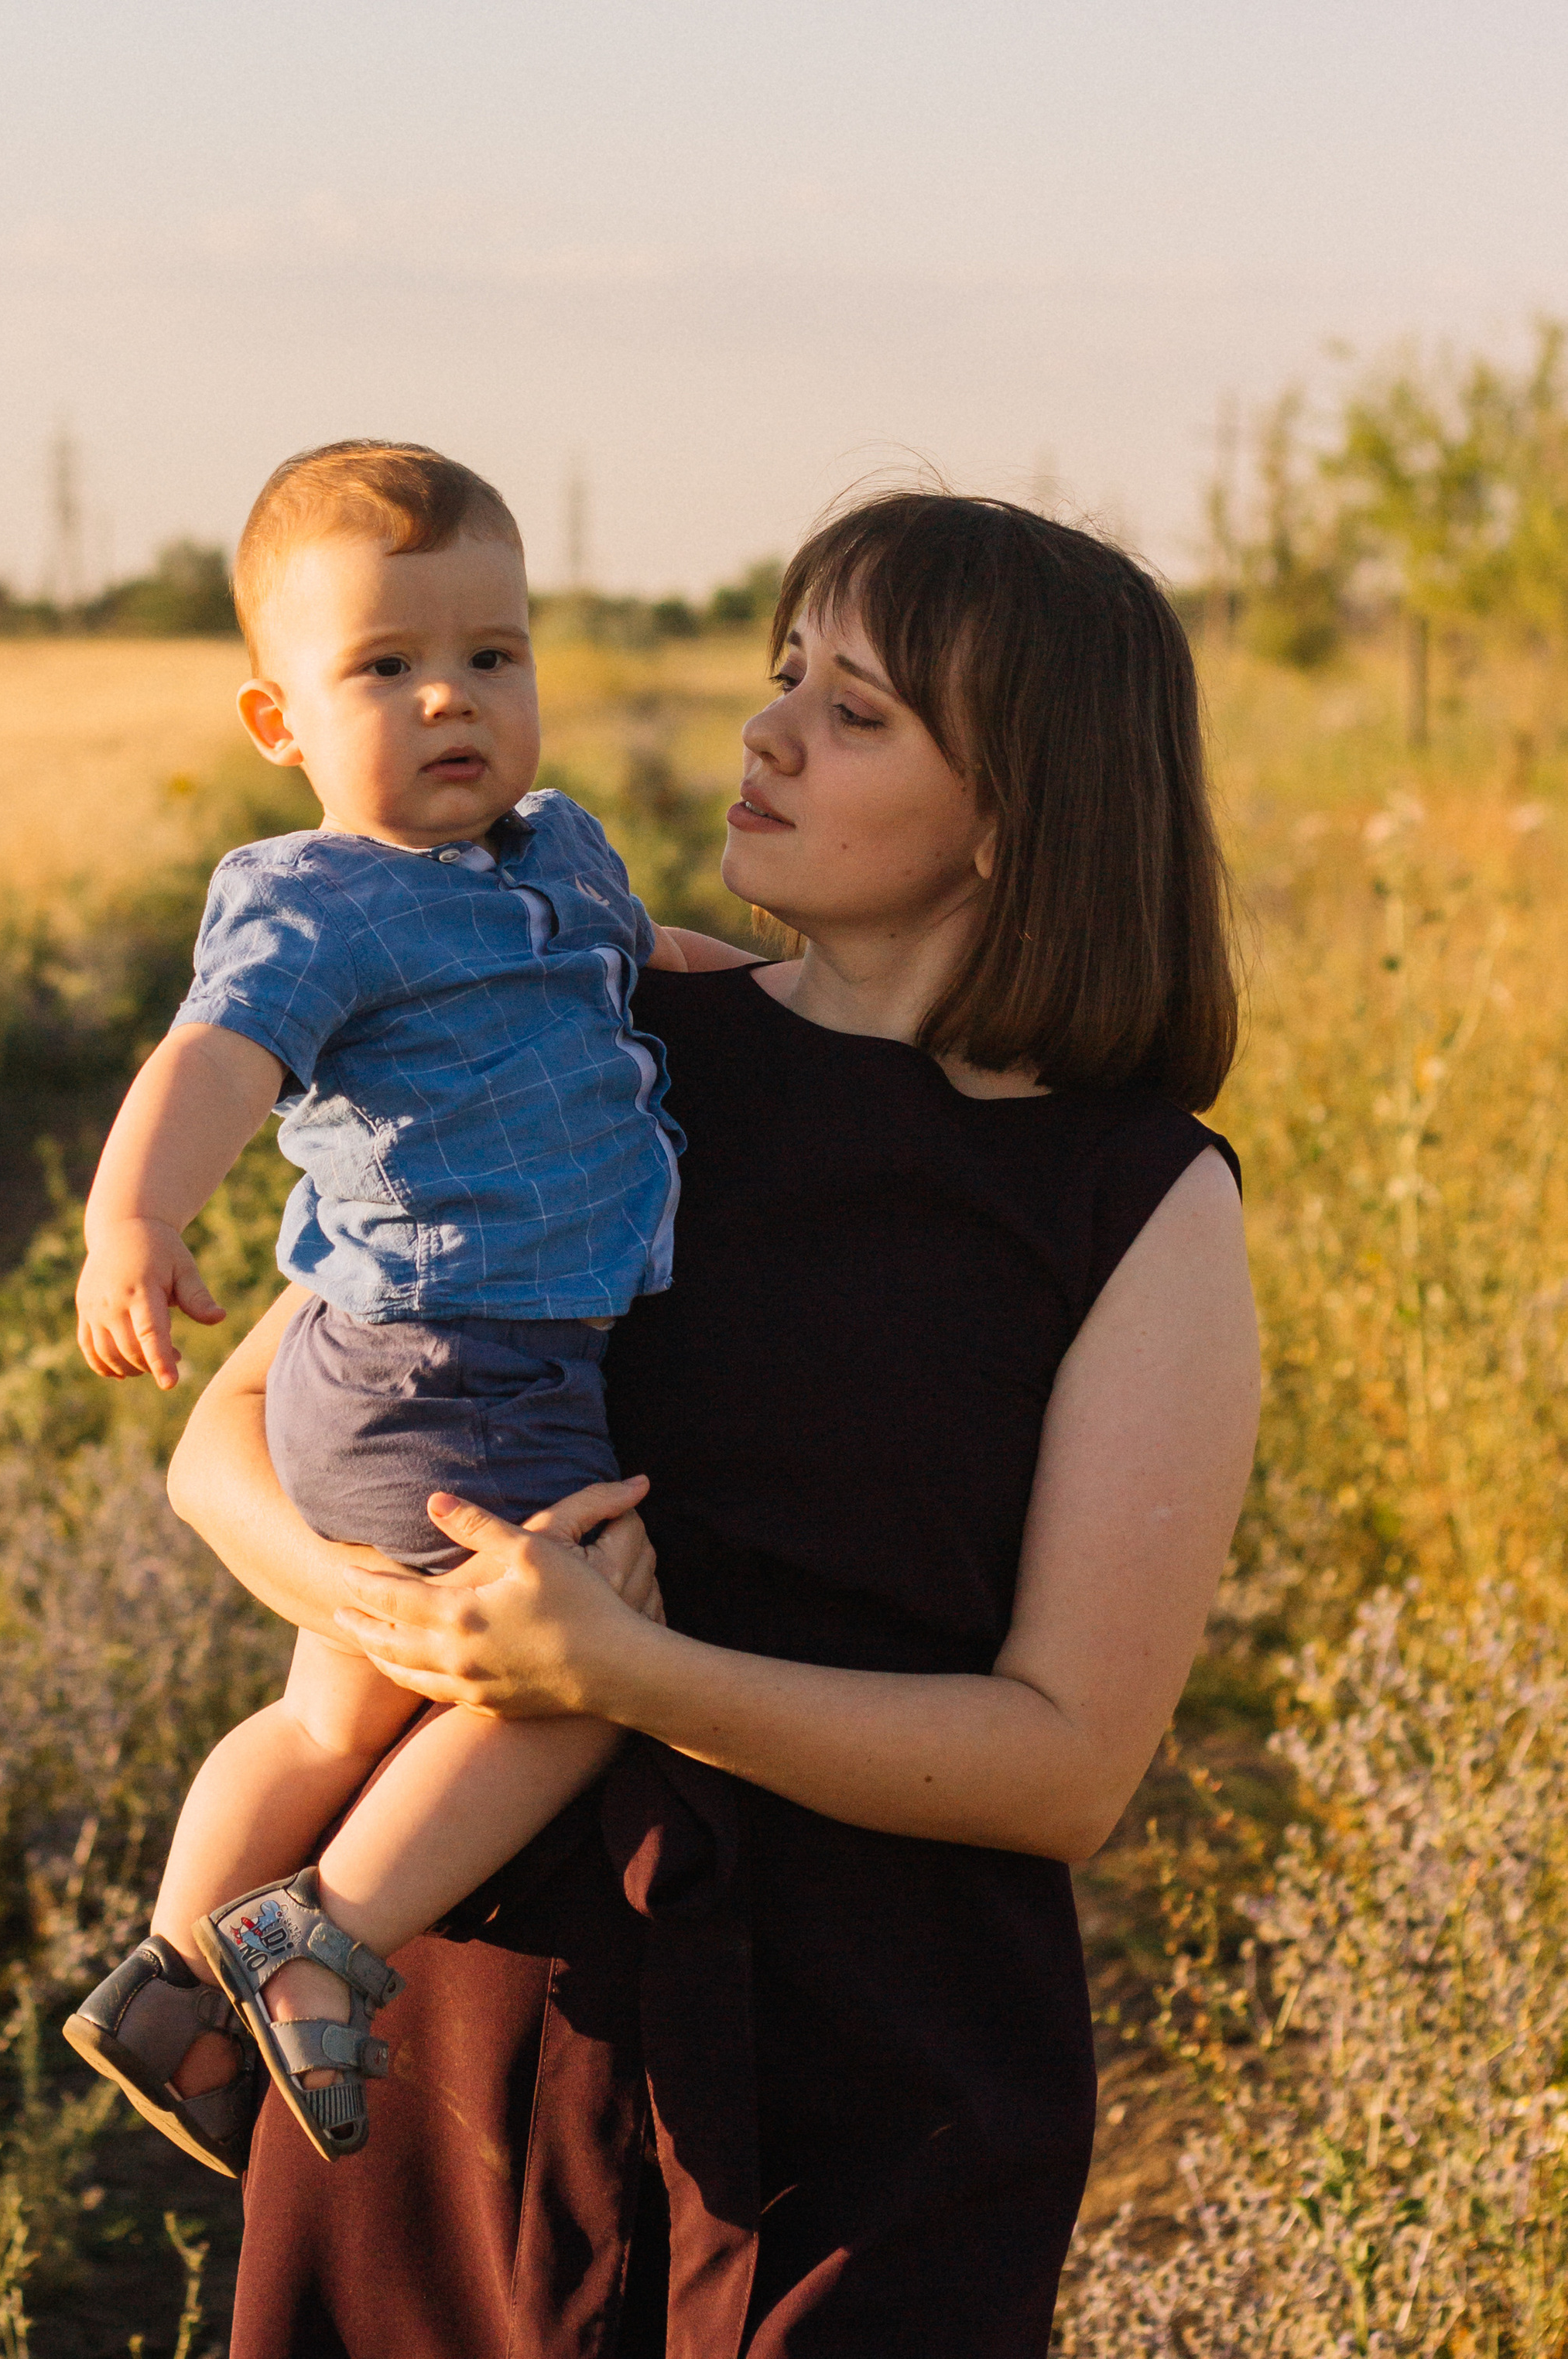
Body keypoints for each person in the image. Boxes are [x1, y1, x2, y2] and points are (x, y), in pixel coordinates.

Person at [166, 489, 1262, 2358]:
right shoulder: (605, 1037)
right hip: (453, 2031)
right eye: (785, 676)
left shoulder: (1128, 1201)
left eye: (854, 712)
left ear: (1014, 809)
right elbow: (229, 1433)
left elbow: (1065, 1765)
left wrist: (619, 1673)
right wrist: (400, 1621)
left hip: (859, 2108)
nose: (764, 734)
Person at [63, 440, 745, 2174]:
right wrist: (134, 1219)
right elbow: (210, 1059)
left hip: (409, 1377)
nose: (449, 697)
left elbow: (649, 963)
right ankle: (326, 1930)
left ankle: (166, 1976)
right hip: (453, 1375)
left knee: (335, 1712)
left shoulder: (564, 855)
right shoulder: (324, 902)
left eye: (491, 657)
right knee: (573, 1675)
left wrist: (798, 995)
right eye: (382, 667)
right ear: (277, 722)